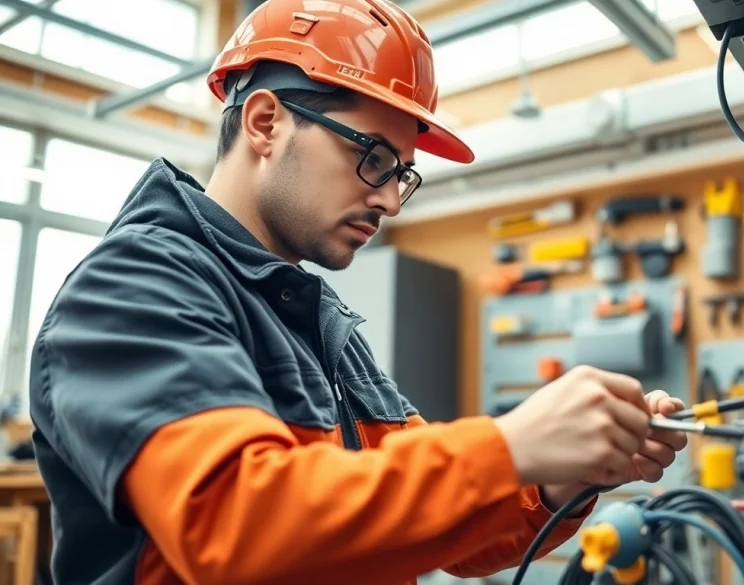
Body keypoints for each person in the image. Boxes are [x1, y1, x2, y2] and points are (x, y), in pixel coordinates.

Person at [28, 1, 689, 584]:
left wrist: (565, 469)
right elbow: (238, 525)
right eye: (371, 156)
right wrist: (511, 443)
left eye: (401, 173)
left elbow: (433, 519)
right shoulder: (137, 283)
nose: (388, 199)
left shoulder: (312, 319)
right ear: (264, 122)